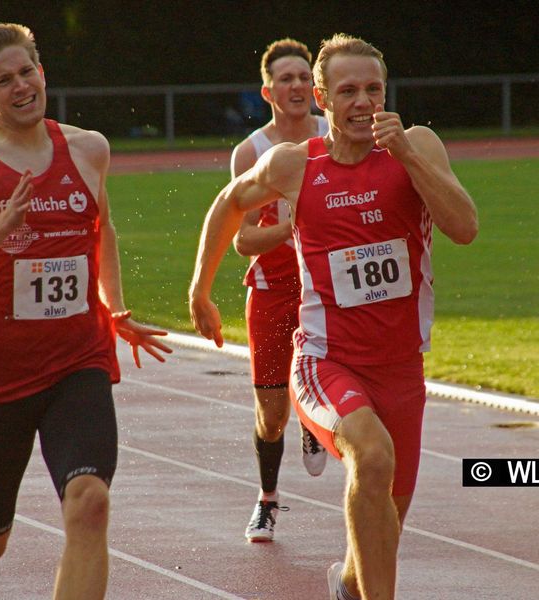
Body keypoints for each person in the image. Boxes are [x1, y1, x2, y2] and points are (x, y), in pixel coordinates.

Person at [189, 33, 478, 600]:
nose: (364, 102)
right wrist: (201, 289)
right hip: (326, 362)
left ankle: (347, 584)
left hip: (401, 370)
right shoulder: (295, 164)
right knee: (371, 457)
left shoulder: (417, 146)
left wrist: (410, 158)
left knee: (385, 522)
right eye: (348, 91)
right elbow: (229, 202)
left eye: (374, 89)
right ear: (321, 99)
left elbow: (464, 227)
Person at [0, 23, 172, 600]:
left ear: (41, 71)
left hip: (78, 360)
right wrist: (0, 226)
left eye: (28, 72)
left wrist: (114, 309)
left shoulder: (88, 148)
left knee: (90, 504)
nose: (21, 87)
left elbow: (103, 229)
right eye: (4, 81)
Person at [230, 38, 329, 543]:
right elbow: (242, 239)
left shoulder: (335, 135)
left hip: (328, 290)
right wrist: (287, 230)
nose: (295, 86)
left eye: (302, 77)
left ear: (315, 88)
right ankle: (267, 499)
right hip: (271, 291)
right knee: (271, 418)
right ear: (268, 91)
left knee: (342, 389)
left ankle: (315, 419)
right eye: (285, 79)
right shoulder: (253, 151)